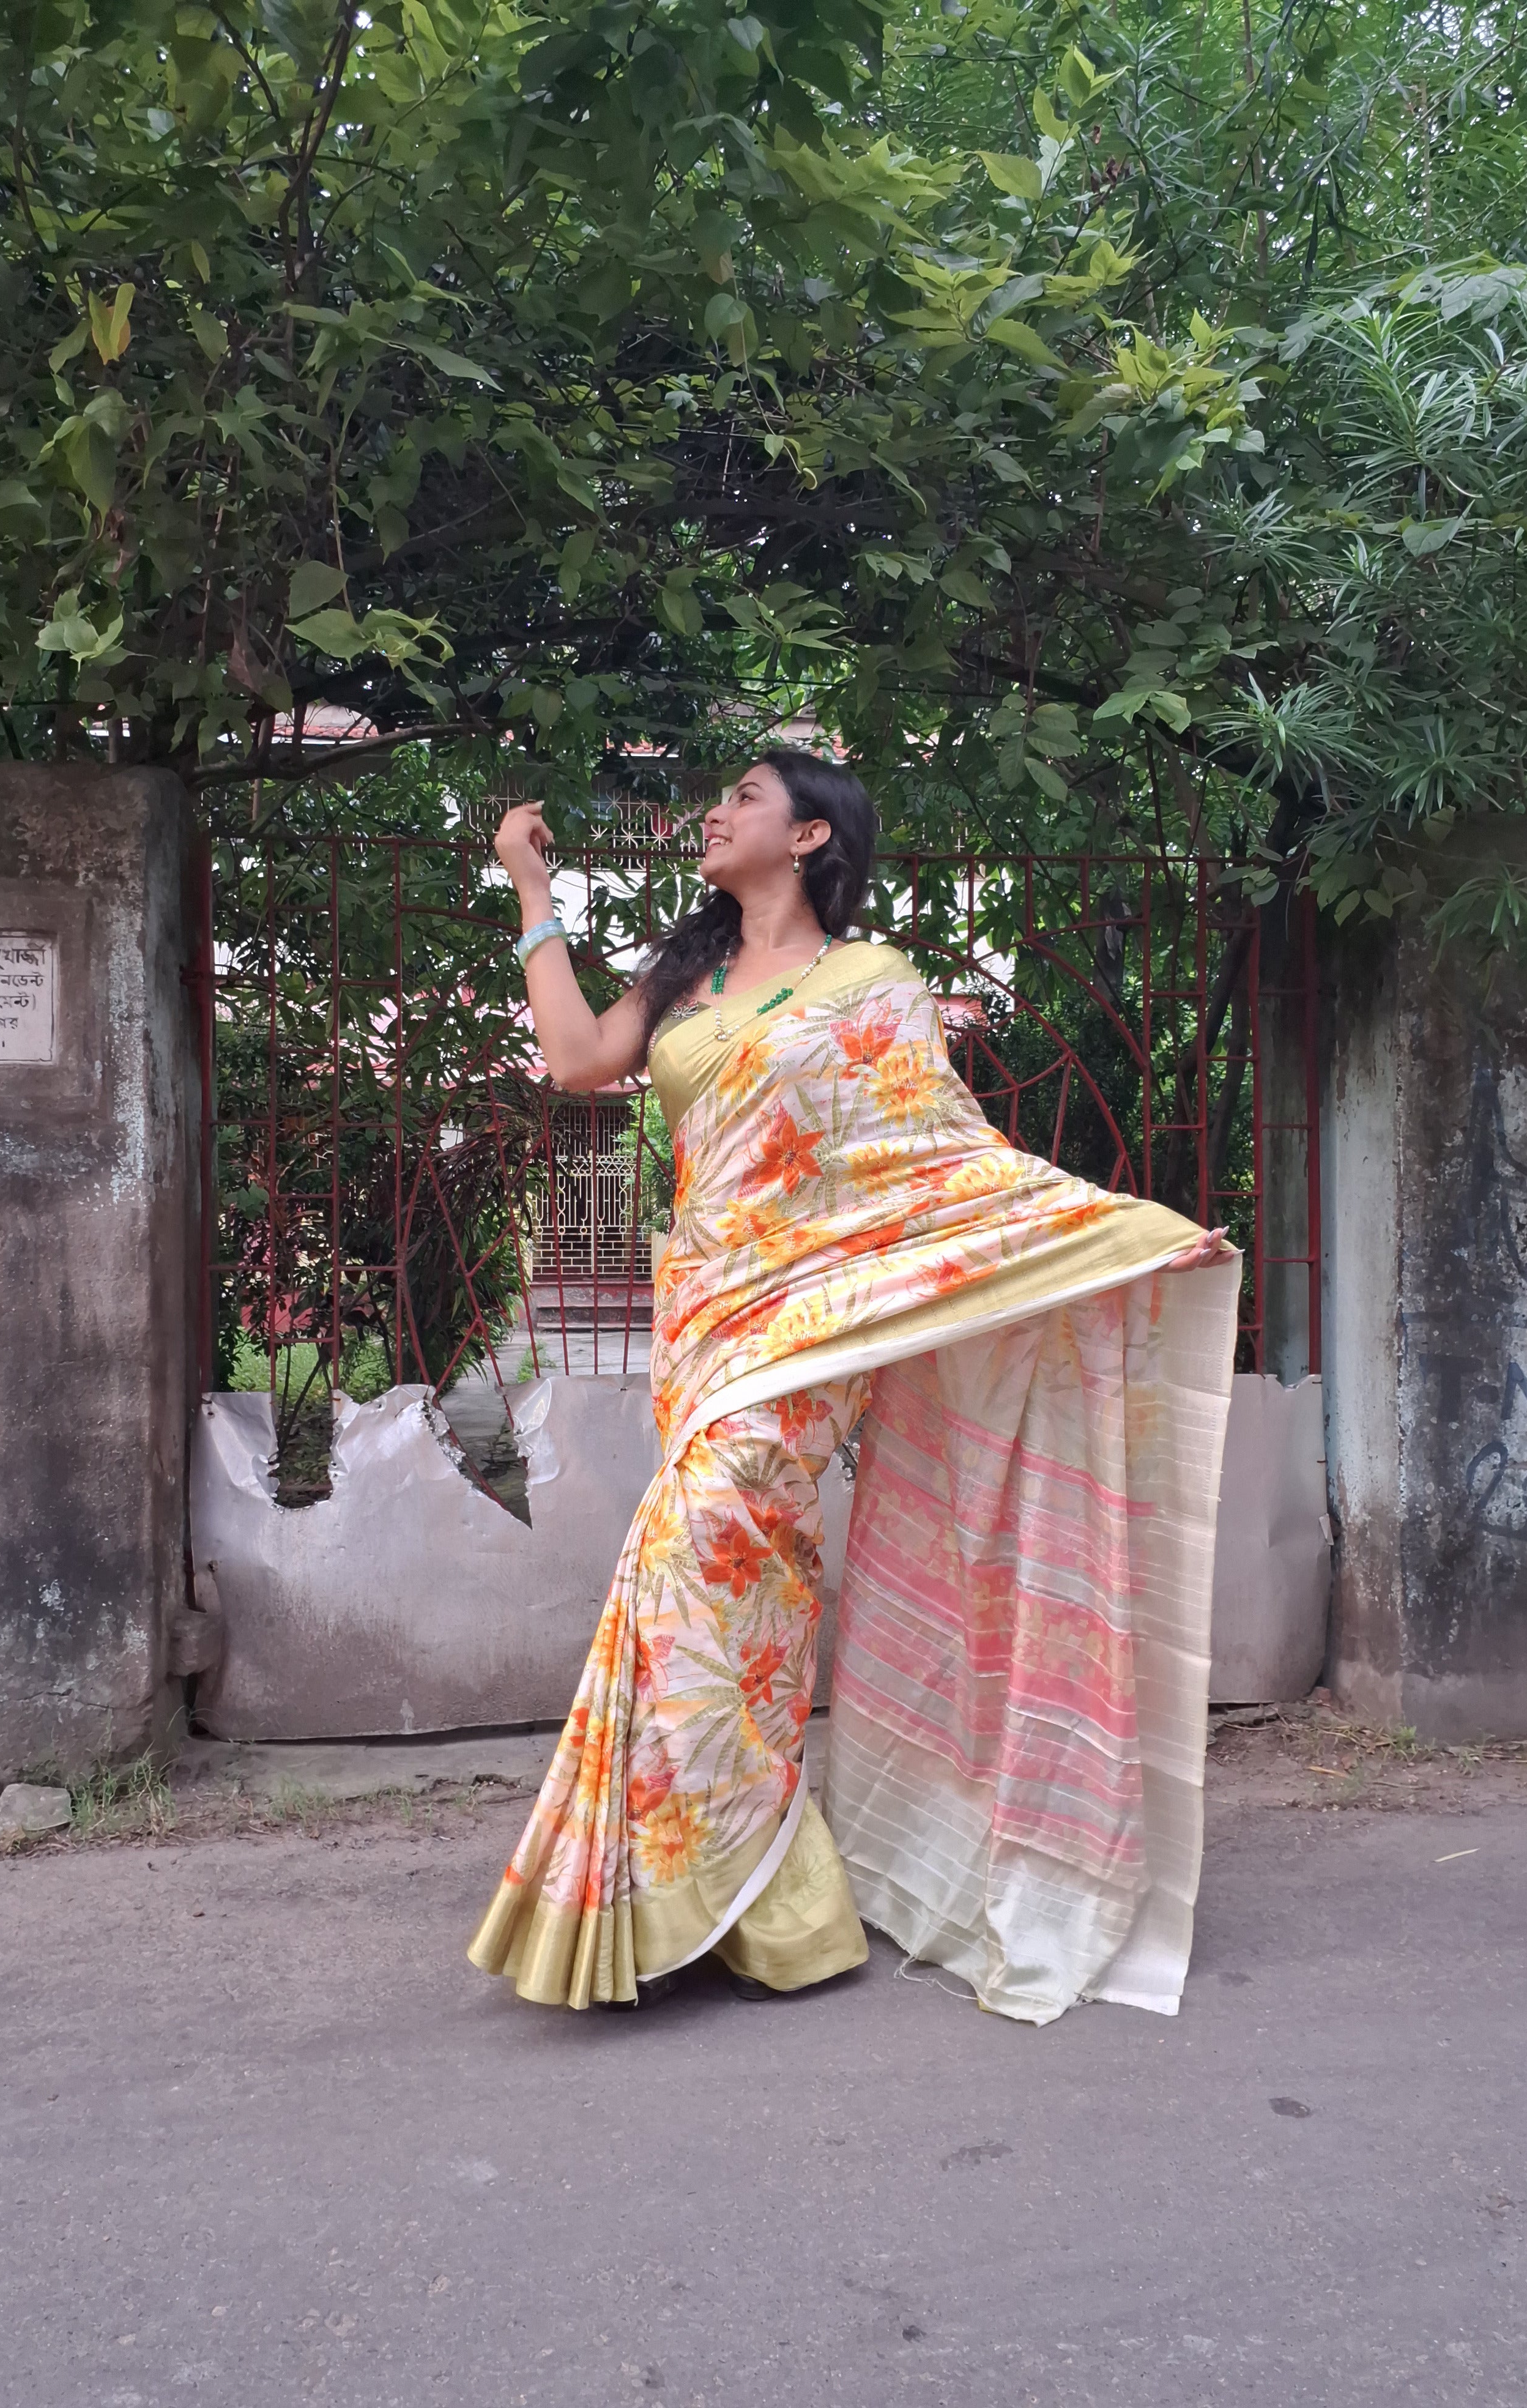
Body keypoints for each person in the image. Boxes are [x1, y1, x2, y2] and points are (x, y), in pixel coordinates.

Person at [467, 751, 1240, 2024]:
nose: (714, 813)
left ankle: (725, 1883)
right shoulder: (685, 978)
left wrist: (1122, 1232)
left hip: (813, 1323)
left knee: (696, 1546)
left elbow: (943, 1165)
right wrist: (527, 884)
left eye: (744, 798)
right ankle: (760, 1898)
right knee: (744, 1592)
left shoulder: (874, 985)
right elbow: (573, 1059)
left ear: (810, 833)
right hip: (708, 1314)